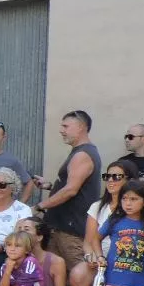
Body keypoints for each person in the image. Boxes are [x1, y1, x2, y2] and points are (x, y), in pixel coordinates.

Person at [69, 161, 144, 286]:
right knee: (77, 274)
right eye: (107, 176)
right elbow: (89, 241)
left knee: (135, 271)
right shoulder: (98, 207)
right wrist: (92, 256)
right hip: (102, 256)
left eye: (116, 177)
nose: (110, 181)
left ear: (129, 180)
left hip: (133, 258)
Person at [33, 110, 102, 271]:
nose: (61, 130)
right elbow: (73, 185)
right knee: (51, 276)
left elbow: (71, 190)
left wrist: (39, 206)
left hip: (70, 231)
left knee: (82, 277)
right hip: (60, 227)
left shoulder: (82, 154)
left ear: (81, 128)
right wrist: (51, 186)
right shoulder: (81, 152)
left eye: (66, 126)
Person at [119, 124, 144, 189]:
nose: (126, 140)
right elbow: (119, 184)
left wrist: (131, 181)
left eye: (130, 137)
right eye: (126, 137)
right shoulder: (123, 162)